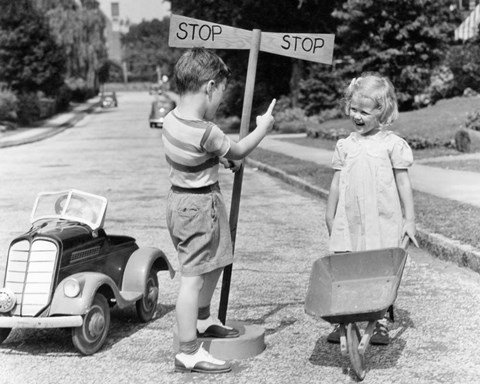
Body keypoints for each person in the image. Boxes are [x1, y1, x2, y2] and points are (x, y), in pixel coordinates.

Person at [162, 47, 276, 374]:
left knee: (215, 261)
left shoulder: (171, 119)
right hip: (198, 206)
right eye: (220, 96)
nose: (219, 104)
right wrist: (263, 128)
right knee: (193, 278)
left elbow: (197, 156)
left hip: (183, 201)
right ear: (209, 87)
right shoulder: (206, 132)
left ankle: (200, 320)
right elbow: (237, 150)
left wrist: (219, 158)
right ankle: (188, 351)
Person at [324, 72, 419, 345]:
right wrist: (329, 213)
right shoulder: (345, 146)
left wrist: (409, 220)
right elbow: (336, 183)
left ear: (382, 110)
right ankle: (346, 320)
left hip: (381, 219)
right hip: (350, 219)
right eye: (353, 109)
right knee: (348, 269)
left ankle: (377, 322)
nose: (357, 115)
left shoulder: (391, 145)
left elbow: (403, 183)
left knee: (379, 270)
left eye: (364, 111)